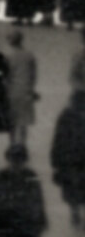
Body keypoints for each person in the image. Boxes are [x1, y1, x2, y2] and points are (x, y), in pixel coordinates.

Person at [48, 78, 85, 228]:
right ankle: (76, 211)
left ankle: (74, 211)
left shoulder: (65, 116)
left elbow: (58, 139)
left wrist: (55, 160)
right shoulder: (67, 116)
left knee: (72, 190)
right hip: (77, 160)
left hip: (70, 161)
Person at [1, 27, 38, 146]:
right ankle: (22, 144)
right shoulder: (29, 55)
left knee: (12, 121)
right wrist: (31, 89)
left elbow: (5, 75)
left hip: (11, 92)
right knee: (23, 122)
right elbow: (33, 75)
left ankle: (12, 144)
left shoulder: (8, 56)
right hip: (25, 91)